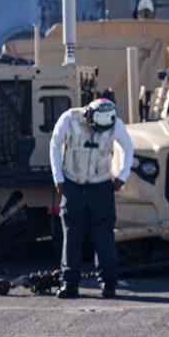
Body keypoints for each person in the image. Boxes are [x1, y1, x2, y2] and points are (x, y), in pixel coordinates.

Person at [50, 95, 134, 298]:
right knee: (72, 236)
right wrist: (58, 178)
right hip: (73, 185)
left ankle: (108, 283)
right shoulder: (69, 119)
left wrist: (122, 176)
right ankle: (69, 283)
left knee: (104, 236)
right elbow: (55, 145)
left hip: (101, 187)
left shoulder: (116, 124)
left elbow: (128, 147)